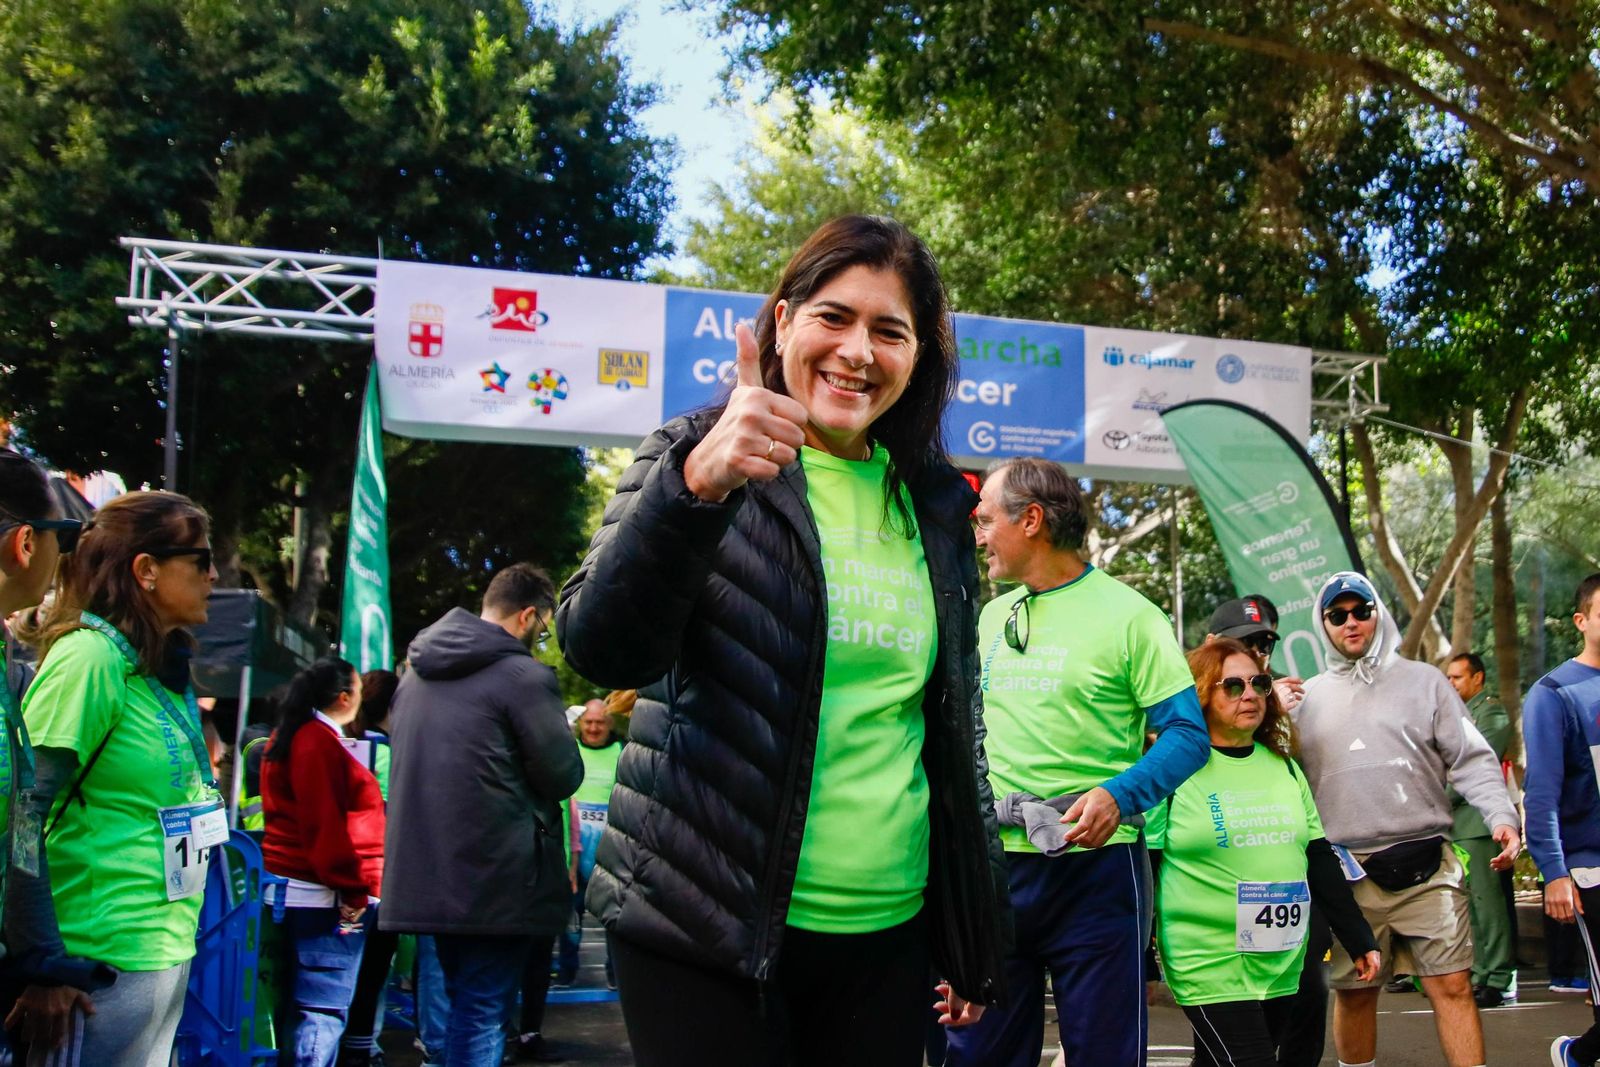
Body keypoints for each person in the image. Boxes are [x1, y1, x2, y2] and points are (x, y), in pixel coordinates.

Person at [557, 214, 1009, 1067]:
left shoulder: (938, 504)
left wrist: (968, 933)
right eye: (833, 317)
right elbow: (600, 649)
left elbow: (951, 738)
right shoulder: (694, 451)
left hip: (887, 939)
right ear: (782, 321)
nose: (858, 352)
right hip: (704, 925)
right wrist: (696, 490)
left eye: (890, 330)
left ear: (919, 357)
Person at [947, 456, 1207, 1067]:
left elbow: (1187, 735)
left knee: (1105, 1058)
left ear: (1031, 519)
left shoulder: (1132, 617)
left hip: (1097, 874)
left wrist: (1121, 794)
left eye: (986, 520)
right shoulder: (990, 616)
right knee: (978, 1057)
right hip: (995, 872)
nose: (978, 533)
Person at [20, 490, 219, 1066]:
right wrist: (42, 965)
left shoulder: (155, 664)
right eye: (202, 560)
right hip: (89, 966)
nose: (214, 575)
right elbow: (22, 817)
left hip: (159, 949)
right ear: (147, 570)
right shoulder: (90, 658)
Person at [1294, 571, 1519, 1067]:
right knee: (1355, 993)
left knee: (1454, 985)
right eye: (1337, 615)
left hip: (1427, 866)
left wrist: (1501, 815)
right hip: (1348, 875)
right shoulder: (1304, 699)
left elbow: (1473, 758)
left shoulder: (1426, 682)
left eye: (1361, 611)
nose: (1351, 623)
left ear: (1379, 614)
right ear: (1324, 623)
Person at [380, 564, 581, 1067]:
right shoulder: (522, 676)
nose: (540, 639)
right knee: (484, 1009)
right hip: (498, 873)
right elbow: (562, 774)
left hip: (426, 868)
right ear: (529, 615)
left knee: (458, 999)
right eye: (543, 628)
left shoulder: (415, 675)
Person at [1151, 637, 1379, 1066]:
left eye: (1258, 682)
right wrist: (1139, 954)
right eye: (1233, 686)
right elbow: (1148, 862)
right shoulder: (1171, 768)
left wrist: (1357, 935)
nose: (1251, 693)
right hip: (1208, 961)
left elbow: (1318, 856)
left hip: (1281, 962)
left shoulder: (1285, 766)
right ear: (1201, 693)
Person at [0, 452, 116, 1060]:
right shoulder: (88, 661)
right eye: (62, 537)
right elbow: (28, 816)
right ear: (25, 543)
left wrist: (42, 960)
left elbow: (18, 824)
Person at [260, 658, 383, 1067]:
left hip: (308, 891)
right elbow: (324, 826)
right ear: (344, 698)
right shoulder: (315, 742)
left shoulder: (296, 736)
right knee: (323, 1009)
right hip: (324, 897)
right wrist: (353, 889)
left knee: (311, 1009)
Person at [1524, 573, 1600, 1067]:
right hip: (1591, 869)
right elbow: (1542, 793)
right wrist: (1553, 871)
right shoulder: (1554, 693)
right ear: (1582, 620)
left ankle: (1578, 1054)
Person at [1442, 651, 1517, 1008]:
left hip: (1480, 823)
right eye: (1449, 678)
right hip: (1458, 825)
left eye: (1457, 677)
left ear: (1478, 679)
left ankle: (1499, 978)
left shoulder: (1492, 713)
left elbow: (1468, 769)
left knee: (1489, 905)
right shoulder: (1453, 714)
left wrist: (1437, 799)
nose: (1451, 684)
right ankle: (1481, 973)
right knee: (1469, 907)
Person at [340, 669, 400, 1067]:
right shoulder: (395, 754)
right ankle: (362, 1045)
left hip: (340, 874)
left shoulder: (345, 746)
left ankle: (351, 1043)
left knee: (344, 969)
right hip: (379, 878)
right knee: (374, 967)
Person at [554, 699, 622, 989]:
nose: (594, 728)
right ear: (580, 724)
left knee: (614, 918)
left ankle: (615, 975)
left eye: (600, 723)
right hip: (574, 856)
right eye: (589, 722)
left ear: (610, 725)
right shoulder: (569, 752)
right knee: (571, 917)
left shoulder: (622, 753)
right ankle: (567, 972)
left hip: (610, 856)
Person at [1205, 594, 1305, 714]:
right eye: (1244, 642)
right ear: (1211, 643)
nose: (1255, 653)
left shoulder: (1282, 689)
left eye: (1264, 643)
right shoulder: (1188, 692)